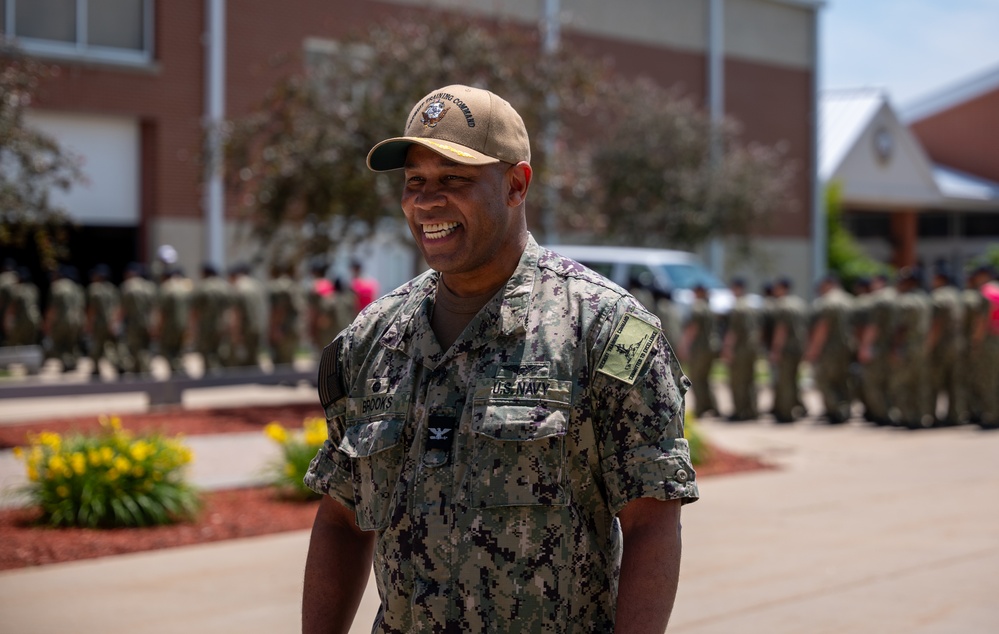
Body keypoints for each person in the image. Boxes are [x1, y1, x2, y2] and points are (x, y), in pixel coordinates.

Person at [302, 84, 698, 634]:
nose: (426, 202)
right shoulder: (373, 337)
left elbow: (652, 520)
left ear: (516, 185)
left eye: (453, 181)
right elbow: (343, 517)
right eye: (415, 182)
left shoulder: (605, 329)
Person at [804, 274, 854, 424]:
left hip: (829, 349)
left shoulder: (826, 303)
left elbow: (822, 328)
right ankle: (845, 409)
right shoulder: (850, 301)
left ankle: (835, 411)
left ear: (828, 284)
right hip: (847, 347)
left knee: (825, 380)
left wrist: (813, 349)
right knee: (843, 379)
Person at [769, 277, 808, 423]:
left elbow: (781, 330)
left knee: (785, 381)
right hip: (799, 348)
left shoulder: (782, 305)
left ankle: (786, 413)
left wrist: (775, 350)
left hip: (786, 349)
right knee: (793, 379)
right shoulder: (799, 304)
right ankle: (800, 407)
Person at [721, 277, 759, 421]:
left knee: (737, 381)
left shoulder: (737, 308)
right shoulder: (752, 307)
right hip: (752, 348)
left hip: (741, 349)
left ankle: (739, 411)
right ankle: (752, 410)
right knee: (750, 379)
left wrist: (727, 348)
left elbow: (733, 332)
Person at [681, 283, 719, 417]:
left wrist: (684, 347)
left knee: (697, 378)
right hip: (711, 346)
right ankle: (713, 406)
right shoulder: (709, 307)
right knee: (706, 378)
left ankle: (700, 408)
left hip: (699, 348)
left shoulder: (697, 307)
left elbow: (693, 328)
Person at [189, 263, 232, 374]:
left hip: (206, 326)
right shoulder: (225, 287)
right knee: (221, 350)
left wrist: (193, 329)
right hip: (222, 325)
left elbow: (195, 311)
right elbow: (231, 308)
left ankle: (211, 376)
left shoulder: (202, 287)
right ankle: (222, 373)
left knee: (207, 352)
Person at [43, 265, 86, 372]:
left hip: (62, 321)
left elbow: (53, 308)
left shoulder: (57, 286)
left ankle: (66, 362)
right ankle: (73, 362)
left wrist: (47, 323)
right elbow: (82, 305)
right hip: (76, 320)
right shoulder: (77, 288)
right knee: (72, 344)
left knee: (58, 344)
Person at [119, 262, 158, 375]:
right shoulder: (149, 287)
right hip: (148, 322)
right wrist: (155, 324)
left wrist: (117, 322)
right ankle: (144, 368)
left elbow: (122, 308)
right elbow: (154, 307)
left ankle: (142, 369)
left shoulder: (127, 286)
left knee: (135, 346)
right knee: (146, 345)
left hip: (133, 322)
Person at [227, 263, 268, 368]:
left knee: (241, 361)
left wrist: (235, 333)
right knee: (253, 357)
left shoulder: (238, 287)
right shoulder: (257, 285)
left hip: (245, 329)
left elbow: (237, 313)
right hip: (259, 327)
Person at [85, 264, 122, 378]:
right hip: (111, 322)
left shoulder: (94, 289)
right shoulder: (112, 289)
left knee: (97, 346)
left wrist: (89, 324)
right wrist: (115, 322)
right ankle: (118, 364)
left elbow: (92, 309)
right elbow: (118, 307)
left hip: (99, 323)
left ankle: (96, 369)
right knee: (111, 346)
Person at [157, 266, 192, 376]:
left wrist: (158, 327)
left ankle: (177, 371)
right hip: (184, 324)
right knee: (180, 350)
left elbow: (162, 311)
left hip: (170, 326)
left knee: (167, 350)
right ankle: (180, 370)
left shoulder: (166, 288)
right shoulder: (186, 288)